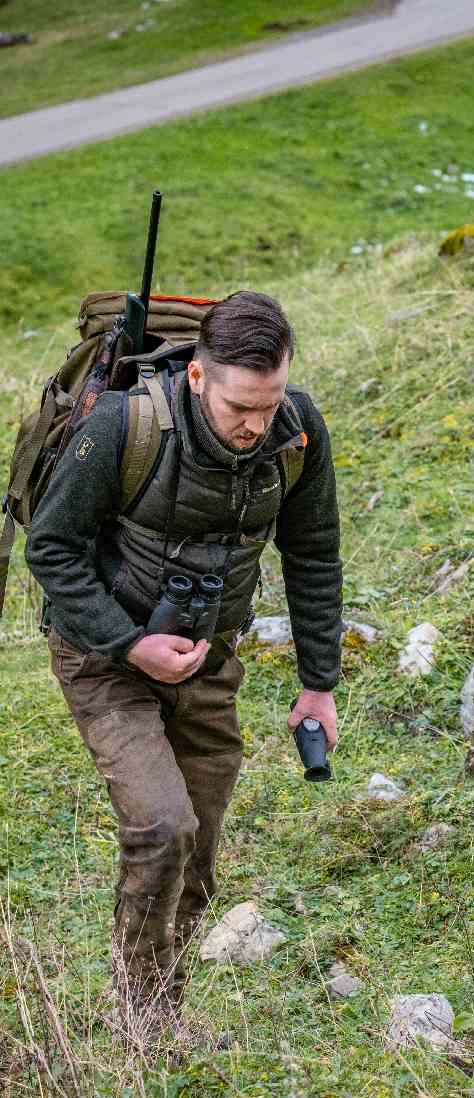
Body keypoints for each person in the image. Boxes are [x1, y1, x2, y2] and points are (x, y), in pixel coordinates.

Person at [27, 290, 342, 1037]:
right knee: (162, 823)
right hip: (104, 656)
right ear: (198, 378)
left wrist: (318, 683)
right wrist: (130, 642)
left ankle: (163, 995)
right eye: (240, 407)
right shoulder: (120, 428)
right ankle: (145, 1018)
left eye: (269, 404)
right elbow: (51, 548)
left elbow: (313, 553)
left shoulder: (296, 433)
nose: (256, 426)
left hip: (207, 660)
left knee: (197, 840)